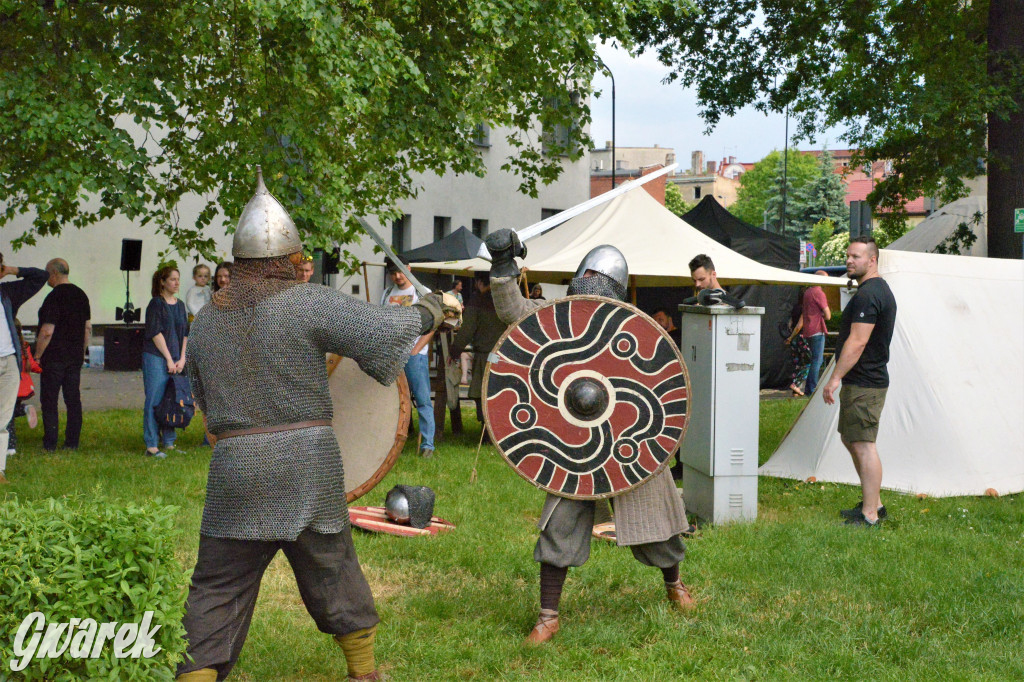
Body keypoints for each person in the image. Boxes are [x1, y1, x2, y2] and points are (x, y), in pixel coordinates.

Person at [175, 169, 458, 682]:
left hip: (235, 467)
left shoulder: (208, 322)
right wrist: (432, 312)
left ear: (241, 263)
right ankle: (364, 674)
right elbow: (382, 328)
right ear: (284, 261)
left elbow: (204, 402)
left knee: (216, 587)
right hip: (305, 465)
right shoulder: (304, 301)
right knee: (333, 570)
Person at [485, 229, 695, 646]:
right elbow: (512, 310)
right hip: (571, 443)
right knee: (558, 523)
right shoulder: (558, 314)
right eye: (590, 277)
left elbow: (659, 386)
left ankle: (675, 584)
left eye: (602, 280)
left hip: (627, 438)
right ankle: (549, 616)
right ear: (579, 277)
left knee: (661, 520)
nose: (593, 285)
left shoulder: (631, 331)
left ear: (616, 289)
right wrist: (503, 265)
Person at [823, 236, 897, 527]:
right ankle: (874, 502)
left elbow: (857, 341)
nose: (849, 261)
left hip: (865, 382)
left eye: (856, 256)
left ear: (872, 260)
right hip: (862, 381)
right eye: (848, 256)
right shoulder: (872, 290)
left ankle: (870, 515)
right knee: (850, 438)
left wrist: (834, 378)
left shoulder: (869, 294)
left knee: (864, 444)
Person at [34, 258, 91, 451]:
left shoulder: (53, 297)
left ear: (54, 273)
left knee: (49, 400)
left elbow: (47, 331)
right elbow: (88, 328)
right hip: (74, 357)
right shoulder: (81, 295)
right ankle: (72, 442)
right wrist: (82, 352)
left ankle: (50, 443)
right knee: (73, 399)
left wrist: (38, 355)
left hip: (54, 357)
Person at [381, 259, 436, 458]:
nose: (398, 276)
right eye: (393, 273)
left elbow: (433, 324)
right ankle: (392, 444)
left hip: (415, 356)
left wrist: (416, 350)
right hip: (392, 355)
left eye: (401, 272)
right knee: (392, 401)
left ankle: (428, 445)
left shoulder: (422, 292)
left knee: (422, 400)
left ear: (409, 269)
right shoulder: (387, 294)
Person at [0, 253, 47, 484]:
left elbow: (41, 277)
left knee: (3, 418)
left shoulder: (7, 294)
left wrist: (11, 269)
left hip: (9, 362)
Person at [142, 265, 189, 459]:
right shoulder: (156, 304)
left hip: (177, 358)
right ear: (162, 282)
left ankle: (169, 442)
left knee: (172, 399)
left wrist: (182, 358)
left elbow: (185, 333)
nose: (177, 283)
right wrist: (169, 358)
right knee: (155, 399)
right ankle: (152, 445)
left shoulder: (180, 305)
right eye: (172, 279)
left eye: (178, 279)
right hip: (156, 357)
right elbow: (155, 333)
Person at [449, 272, 505, 427]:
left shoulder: (477, 300)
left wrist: (455, 351)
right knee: (500, 393)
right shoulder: (504, 299)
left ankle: (487, 430)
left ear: (479, 282)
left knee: (483, 393)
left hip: (487, 355)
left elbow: (467, 330)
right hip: (505, 355)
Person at [5, 320, 41, 456]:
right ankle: (24, 408)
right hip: (23, 388)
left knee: (7, 416)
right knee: (10, 413)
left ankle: (10, 447)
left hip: (11, 385)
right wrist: (41, 368)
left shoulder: (7, 349)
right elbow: (32, 365)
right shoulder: (23, 347)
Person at [800, 271, 832, 395]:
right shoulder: (819, 292)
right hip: (817, 330)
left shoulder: (807, 292)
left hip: (808, 330)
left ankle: (809, 388)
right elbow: (828, 315)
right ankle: (811, 389)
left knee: (813, 360)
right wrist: (822, 314)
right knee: (817, 361)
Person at [784, 296, 812, 397]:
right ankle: (795, 384)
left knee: (797, 363)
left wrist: (790, 338)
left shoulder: (795, 308)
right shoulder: (804, 309)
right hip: (801, 337)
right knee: (808, 362)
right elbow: (799, 326)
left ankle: (796, 390)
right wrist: (791, 337)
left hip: (794, 340)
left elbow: (790, 323)